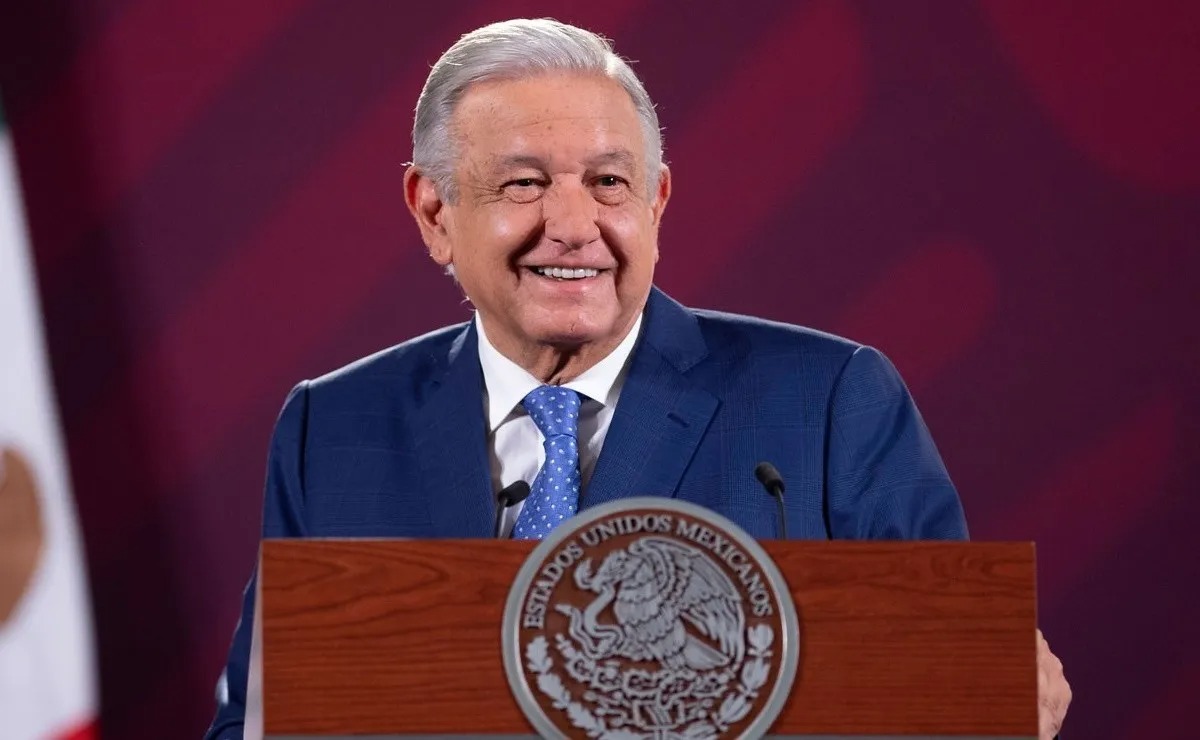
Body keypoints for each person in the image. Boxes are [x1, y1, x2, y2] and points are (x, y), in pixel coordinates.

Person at [205, 18, 1070, 739]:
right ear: (435, 212)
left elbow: (965, 684)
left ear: (655, 203)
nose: (574, 225)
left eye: (608, 182)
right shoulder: (334, 428)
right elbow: (256, 722)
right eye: (524, 183)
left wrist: (988, 698)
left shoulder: (828, 402)